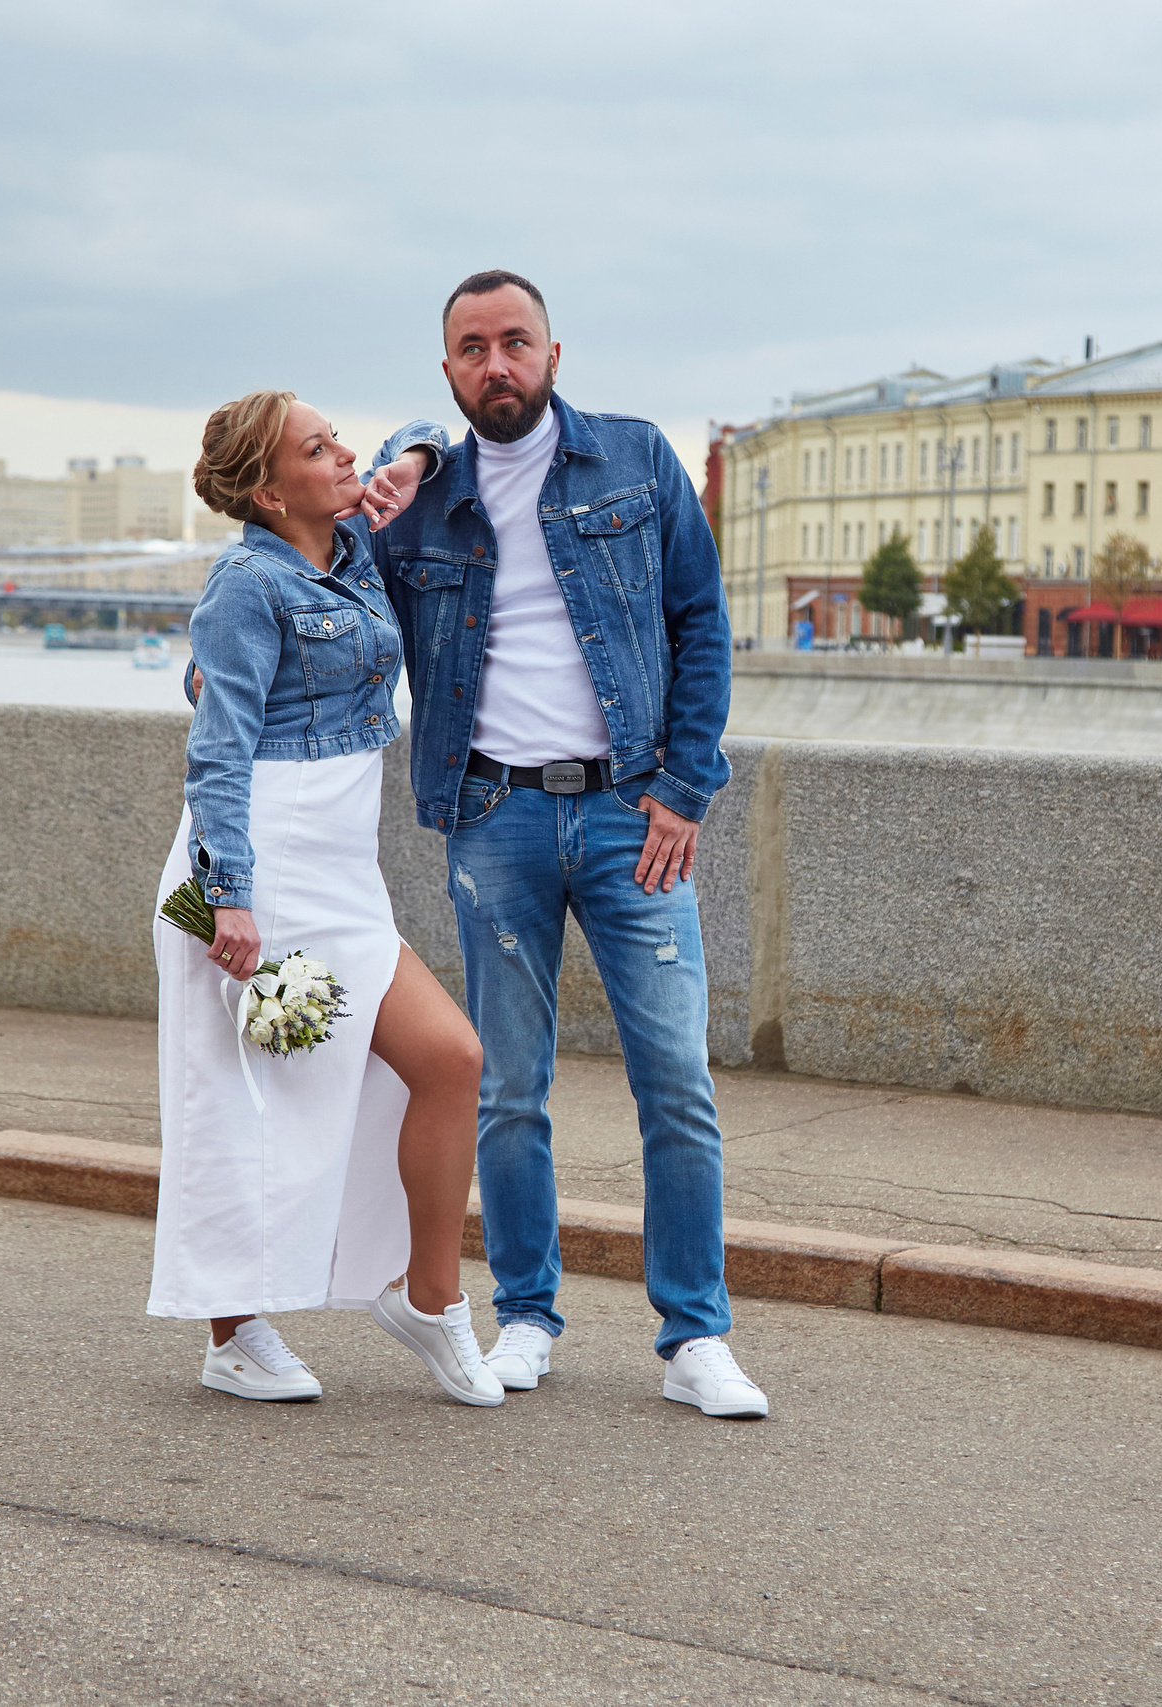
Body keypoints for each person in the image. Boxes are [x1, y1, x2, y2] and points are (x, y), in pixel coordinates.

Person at [373, 269, 766, 1419]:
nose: (497, 364)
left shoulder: (637, 461)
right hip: (493, 815)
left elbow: (702, 624)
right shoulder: (422, 503)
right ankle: (528, 1315)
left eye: (516, 342)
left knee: (676, 1079)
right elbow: (327, 590)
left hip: (629, 815)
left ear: (554, 353)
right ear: (447, 372)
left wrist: (686, 790)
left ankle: (696, 1336)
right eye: (472, 349)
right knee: (506, 1090)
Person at [150, 391, 506, 1409]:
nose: (348, 455)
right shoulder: (244, 584)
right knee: (240, 1102)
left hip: (342, 868)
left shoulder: (351, 551)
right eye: (319, 449)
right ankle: (232, 1333)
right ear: (268, 491)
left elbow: (409, 445)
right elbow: (214, 753)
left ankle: (429, 1301)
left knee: (448, 1061)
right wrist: (228, 897)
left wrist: (420, 459)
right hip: (254, 863)